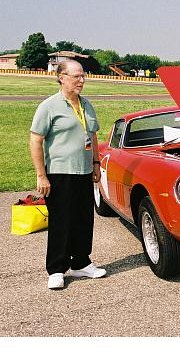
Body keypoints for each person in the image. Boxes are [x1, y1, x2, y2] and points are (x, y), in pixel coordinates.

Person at [30, 59, 106, 290]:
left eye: (83, 76)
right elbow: (36, 140)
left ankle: (81, 263)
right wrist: (41, 175)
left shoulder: (86, 105)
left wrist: (95, 163)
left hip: (83, 171)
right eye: (76, 76)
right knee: (62, 222)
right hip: (60, 172)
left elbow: (91, 134)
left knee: (83, 219)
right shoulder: (49, 106)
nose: (81, 81)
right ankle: (56, 269)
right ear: (61, 77)